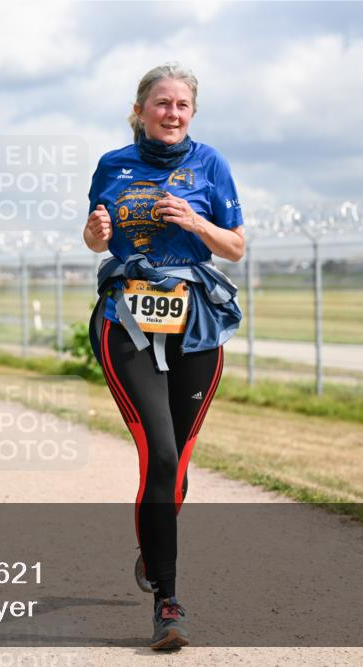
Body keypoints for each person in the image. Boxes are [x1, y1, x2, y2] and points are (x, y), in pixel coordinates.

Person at [84, 63, 244, 651]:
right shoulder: (111, 164)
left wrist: (196, 221)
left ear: (191, 114)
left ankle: (152, 546)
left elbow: (236, 247)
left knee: (176, 468)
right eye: (161, 103)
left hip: (196, 323)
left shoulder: (212, 165)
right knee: (161, 451)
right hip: (126, 319)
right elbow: (96, 236)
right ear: (140, 109)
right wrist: (96, 232)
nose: (171, 113)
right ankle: (168, 603)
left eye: (182, 105)